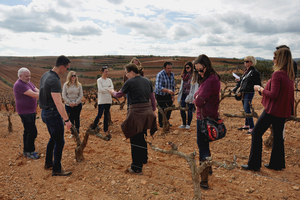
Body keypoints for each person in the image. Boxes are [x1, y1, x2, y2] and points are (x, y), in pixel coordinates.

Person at [241, 48, 294, 171]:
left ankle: (254, 165)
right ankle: (277, 164)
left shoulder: (278, 74)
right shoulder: (289, 74)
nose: (272, 60)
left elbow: (274, 94)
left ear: (280, 59)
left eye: (275, 58)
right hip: (282, 111)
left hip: (272, 110)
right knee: (278, 136)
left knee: (256, 133)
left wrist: (260, 89)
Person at [108, 63, 157, 175]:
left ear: (131, 71)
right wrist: (153, 111)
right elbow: (152, 97)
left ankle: (136, 167)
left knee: (135, 139)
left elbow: (119, 95)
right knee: (142, 135)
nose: (126, 75)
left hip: (136, 113)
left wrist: (112, 92)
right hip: (147, 112)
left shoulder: (130, 82)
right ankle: (144, 159)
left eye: (126, 72)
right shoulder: (147, 80)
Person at [39, 55, 72, 176]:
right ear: (62, 67)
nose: (67, 71)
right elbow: (58, 103)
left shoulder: (45, 75)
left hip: (44, 112)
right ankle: (56, 169)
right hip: (52, 113)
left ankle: (48, 162)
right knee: (60, 141)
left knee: (53, 138)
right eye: (67, 68)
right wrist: (67, 120)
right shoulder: (54, 80)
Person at [194, 54, 221, 190]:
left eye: (201, 69)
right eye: (197, 70)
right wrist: (197, 96)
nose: (199, 72)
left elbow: (198, 100)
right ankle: (208, 168)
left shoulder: (209, 80)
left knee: (202, 146)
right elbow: (198, 96)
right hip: (211, 116)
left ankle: (204, 181)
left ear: (207, 66)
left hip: (204, 118)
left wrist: (197, 97)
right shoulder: (213, 77)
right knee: (205, 144)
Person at [13, 67, 40, 159]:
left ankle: (26, 151)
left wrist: (43, 93)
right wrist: (47, 96)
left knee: (27, 131)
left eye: (29, 76)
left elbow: (37, 90)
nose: (29, 78)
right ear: (20, 76)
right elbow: (33, 94)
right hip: (25, 112)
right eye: (26, 76)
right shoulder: (19, 85)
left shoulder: (27, 83)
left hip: (30, 111)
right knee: (32, 131)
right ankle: (30, 153)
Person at [232, 56, 261, 134]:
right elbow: (245, 81)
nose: (245, 62)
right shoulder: (246, 71)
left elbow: (258, 83)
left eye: (246, 61)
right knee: (246, 109)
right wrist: (239, 80)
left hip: (249, 92)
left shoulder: (255, 72)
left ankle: (252, 127)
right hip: (244, 92)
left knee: (247, 109)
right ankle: (247, 124)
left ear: (251, 62)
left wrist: (260, 90)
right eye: (244, 61)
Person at [91, 66, 114, 133]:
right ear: (102, 72)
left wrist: (107, 89)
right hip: (102, 101)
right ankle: (93, 127)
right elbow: (101, 90)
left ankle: (105, 129)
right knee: (99, 115)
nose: (107, 73)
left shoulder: (109, 80)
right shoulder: (99, 80)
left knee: (106, 115)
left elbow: (112, 88)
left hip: (108, 100)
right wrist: (108, 89)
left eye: (107, 71)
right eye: (105, 72)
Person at [62, 71, 83, 138]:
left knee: (77, 119)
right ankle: (72, 133)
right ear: (69, 77)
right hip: (68, 105)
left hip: (77, 105)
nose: (74, 77)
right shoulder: (66, 85)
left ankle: (77, 132)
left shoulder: (79, 85)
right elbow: (64, 95)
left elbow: (81, 95)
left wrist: (76, 102)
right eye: (72, 76)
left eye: (75, 75)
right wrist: (69, 102)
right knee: (70, 119)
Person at [177, 61, 198, 129]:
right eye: (185, 68)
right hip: (184, 94)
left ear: (191, 68)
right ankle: (183, 123)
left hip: (191, 94)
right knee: (182, 109)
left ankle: (188, 124)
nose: (187, 69)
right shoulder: (184, 75)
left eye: (188, 67)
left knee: (190, 109)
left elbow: (195, 87)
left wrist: (194, 97)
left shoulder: (194, 76)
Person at [154, 61, 175, 127]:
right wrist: (167, 90)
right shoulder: (160, 74)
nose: (170, 70)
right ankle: (161, 124)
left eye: (170, 68)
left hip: (168, 95)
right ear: (164, 68)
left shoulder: (172, 74)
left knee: (169, 108)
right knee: (162, 109)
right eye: (168, 68)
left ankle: (166, 121)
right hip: (160, 95)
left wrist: (173, 95)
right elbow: (158, 87)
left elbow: (173, 85)